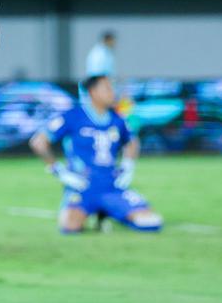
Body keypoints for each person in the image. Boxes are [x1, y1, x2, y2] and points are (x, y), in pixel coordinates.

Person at [29, 75, 162, 233]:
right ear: (93, 92)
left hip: (112, 184)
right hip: (83, 185)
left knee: (150, 222)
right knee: (69, 227)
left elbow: (132, 142)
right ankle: (97, 213)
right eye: (107, 88)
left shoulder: (117, 119)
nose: (112, 93)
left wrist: (128, 167)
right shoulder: (73, 116)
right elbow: (39, 142)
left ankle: (108, 212)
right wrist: (59, 171)